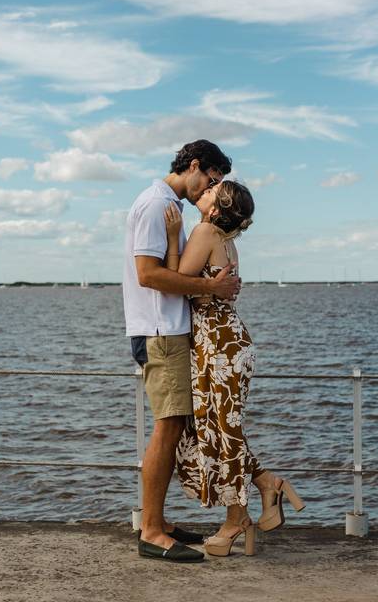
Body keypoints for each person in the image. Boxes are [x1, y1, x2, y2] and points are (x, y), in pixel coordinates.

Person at [164, 179, 305, 558]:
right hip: (228, 341)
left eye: (212, 190)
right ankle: (263, 486)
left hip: (217, 344)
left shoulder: (205, 230)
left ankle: (236, 519)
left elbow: (179, 283)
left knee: (222, 430)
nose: (204, 191)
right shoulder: (227, 240)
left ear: (216, 207)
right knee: (220, 428)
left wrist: (174, 236)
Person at [123, 139, 241, 563]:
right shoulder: (158, 206)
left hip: (165, 328)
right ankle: (152, 531)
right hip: (160, 330)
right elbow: (149, 275)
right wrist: (211, 287)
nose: (209, 191)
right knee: (168, 427)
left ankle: (159, 521)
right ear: (194, 166)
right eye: (211, 180)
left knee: (173, 427)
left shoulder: (163, 204)